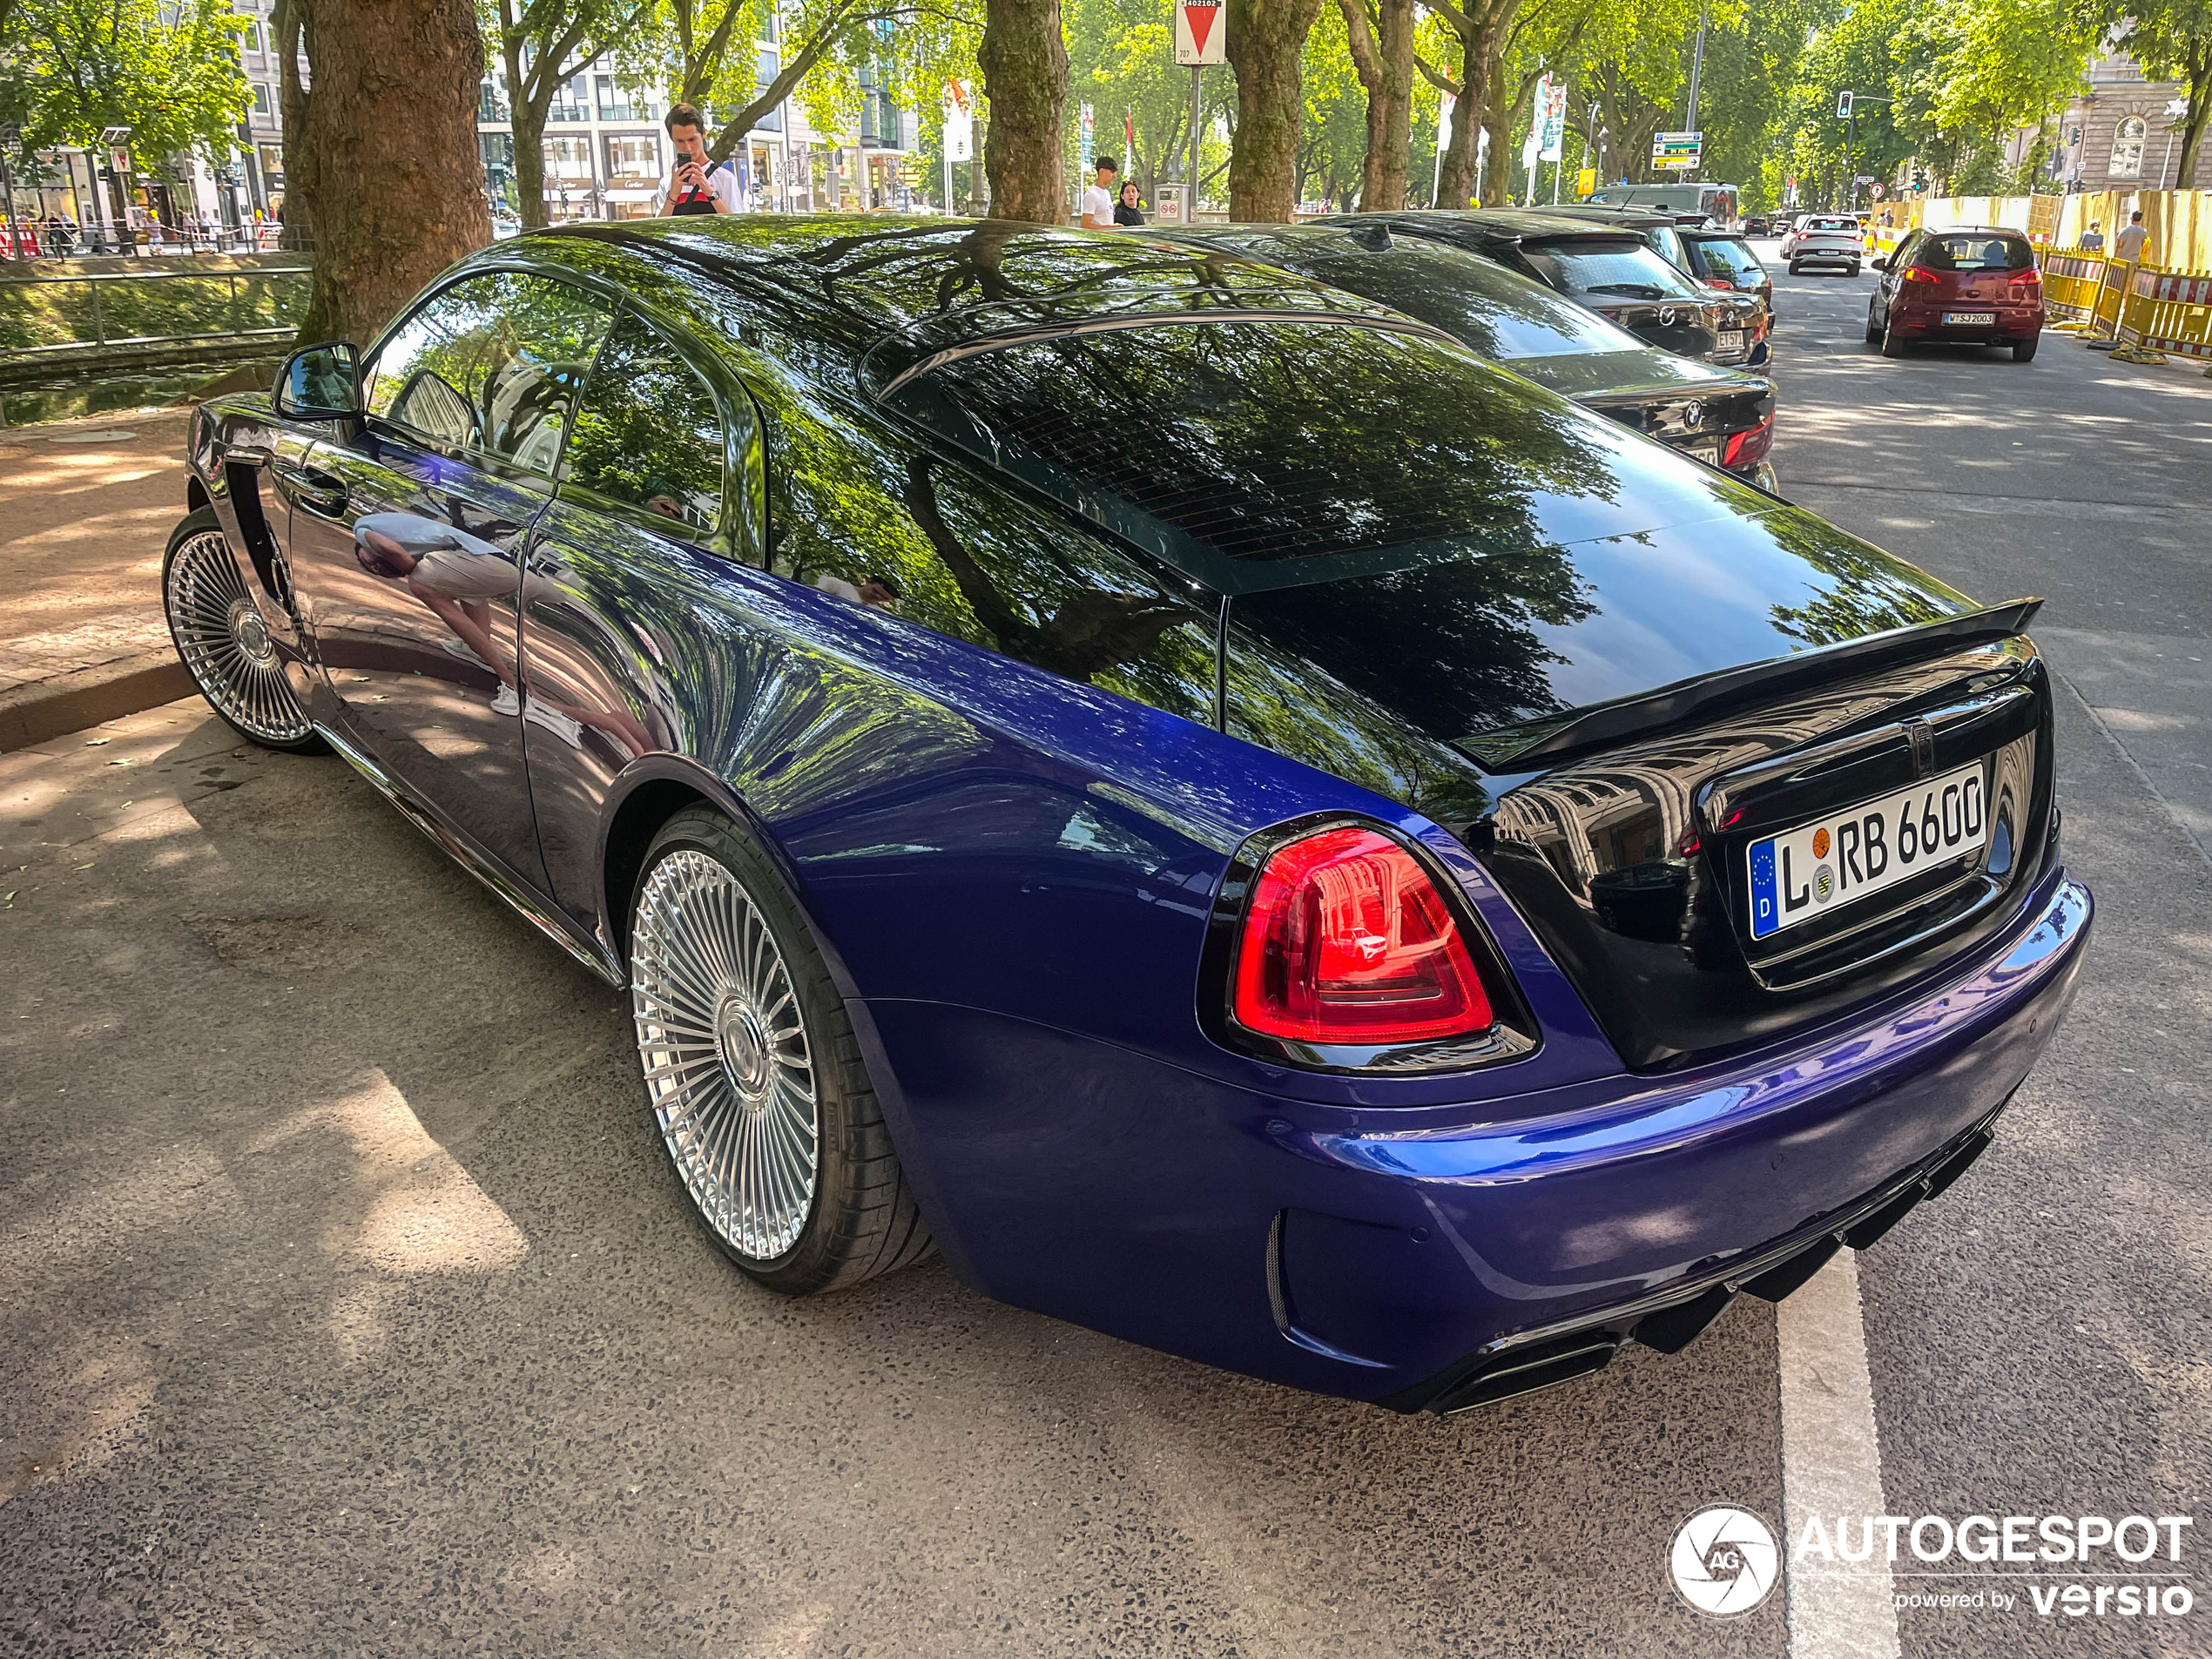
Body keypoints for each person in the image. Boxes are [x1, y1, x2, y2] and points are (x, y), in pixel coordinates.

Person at [659, 102, 737, 216]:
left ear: (703, 133)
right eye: (680, 141)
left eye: (692, 140)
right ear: (672, 139)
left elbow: (737, 225)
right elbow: (658, 230)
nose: (688, 148)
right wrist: (673, 196)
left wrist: (710, 193)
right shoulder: (667, 183)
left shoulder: (725, 178)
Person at [1080, 156, 1117, 229]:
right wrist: (1111, 228)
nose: (1115, 176)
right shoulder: (1091, 195)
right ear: (1102, 171)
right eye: (1112, 172)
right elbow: (1085, 225)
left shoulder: (1107, 193)